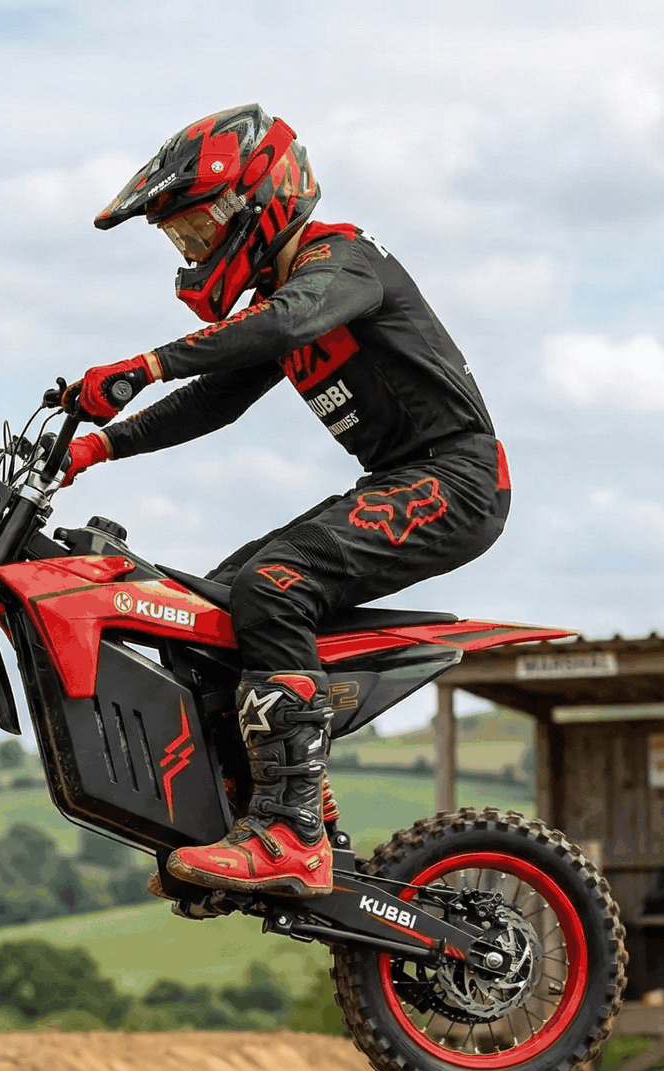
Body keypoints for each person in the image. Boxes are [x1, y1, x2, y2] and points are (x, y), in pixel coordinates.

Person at [62, 105, 511, 899]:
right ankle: (252, 820)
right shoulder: (283, 302)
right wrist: (101, 445)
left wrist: (144, 365)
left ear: (259, 198)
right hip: (399, 480)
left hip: (455, 479)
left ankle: (291, 835)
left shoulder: (343, 264)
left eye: (198, 230)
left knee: (274, 586)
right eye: (182, 241)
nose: (194, 252)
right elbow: (217, 397)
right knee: (208, 603)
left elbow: (279, 324)